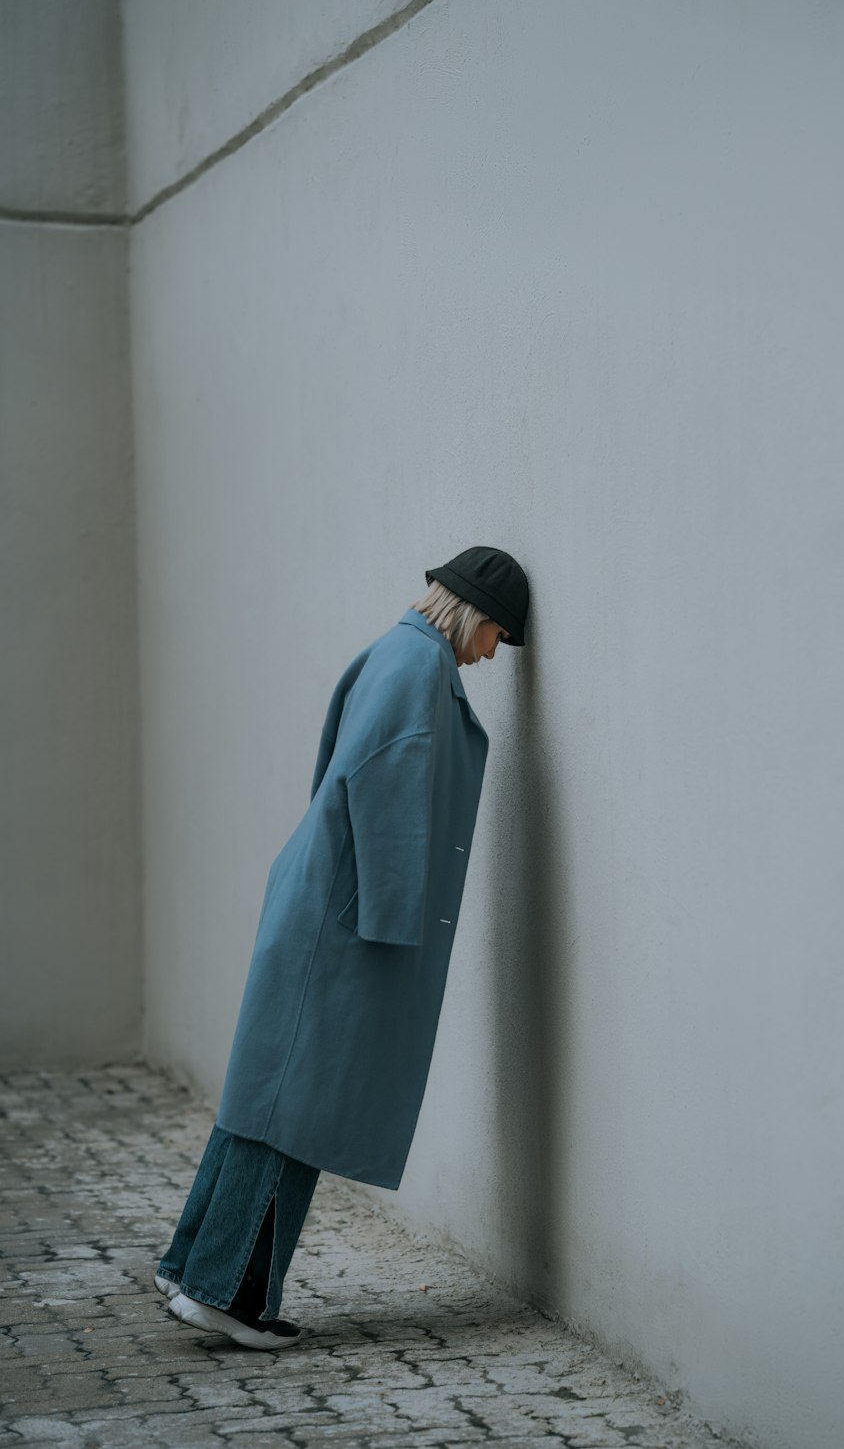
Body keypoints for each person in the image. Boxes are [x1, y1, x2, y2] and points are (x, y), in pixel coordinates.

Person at [154, 546, 530, 1349]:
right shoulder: (418, 666)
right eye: (499, 633)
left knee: (268, 1095)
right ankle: (231, 1294)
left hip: (326, 903)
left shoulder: (397, 653)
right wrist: (393, 927)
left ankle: (194, 1270)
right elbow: (384, 788)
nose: (495, 653)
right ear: (472, 613)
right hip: (351, 921)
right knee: (298, 1109)